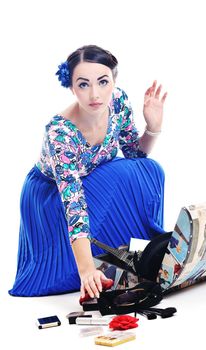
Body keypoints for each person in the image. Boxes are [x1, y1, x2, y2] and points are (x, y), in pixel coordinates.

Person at [9, 45, 167, 299]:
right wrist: (86, 270)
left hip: (92, 179)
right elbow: (74, 205)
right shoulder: (60, 133)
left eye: (103, 82)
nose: (95, 94)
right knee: (124, 175)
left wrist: (153, 127)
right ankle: (83, 262)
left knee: (150, 170)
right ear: (72, 88)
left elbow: (135, 156)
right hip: (51, 196)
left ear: (113, 80)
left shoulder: (118, 102)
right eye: (83, 84)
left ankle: (145, 250)